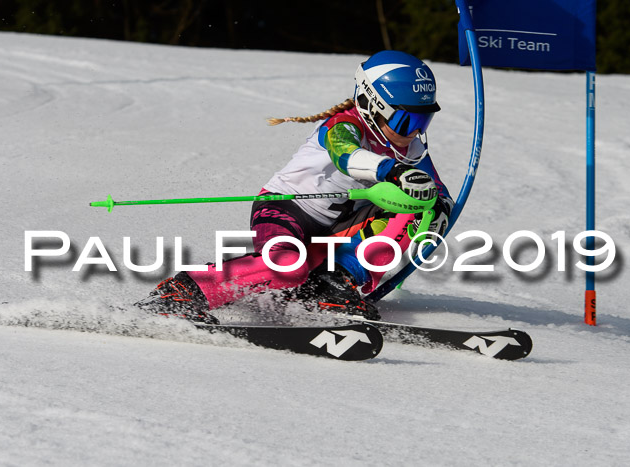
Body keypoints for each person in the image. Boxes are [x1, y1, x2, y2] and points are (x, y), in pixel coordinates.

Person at [135, 50, 454, 324]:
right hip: (285, 209)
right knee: (288, 267)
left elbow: (437, 191)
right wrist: (392, 170)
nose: (413, 133)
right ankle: (186, 292)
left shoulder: (409, 149)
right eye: (406, 122)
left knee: (419, 204)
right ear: (370, 104)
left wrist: (437, 207)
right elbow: (346, 155)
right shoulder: (344, 124)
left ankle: (332, 287)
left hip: (337, 228)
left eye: (422, 121)